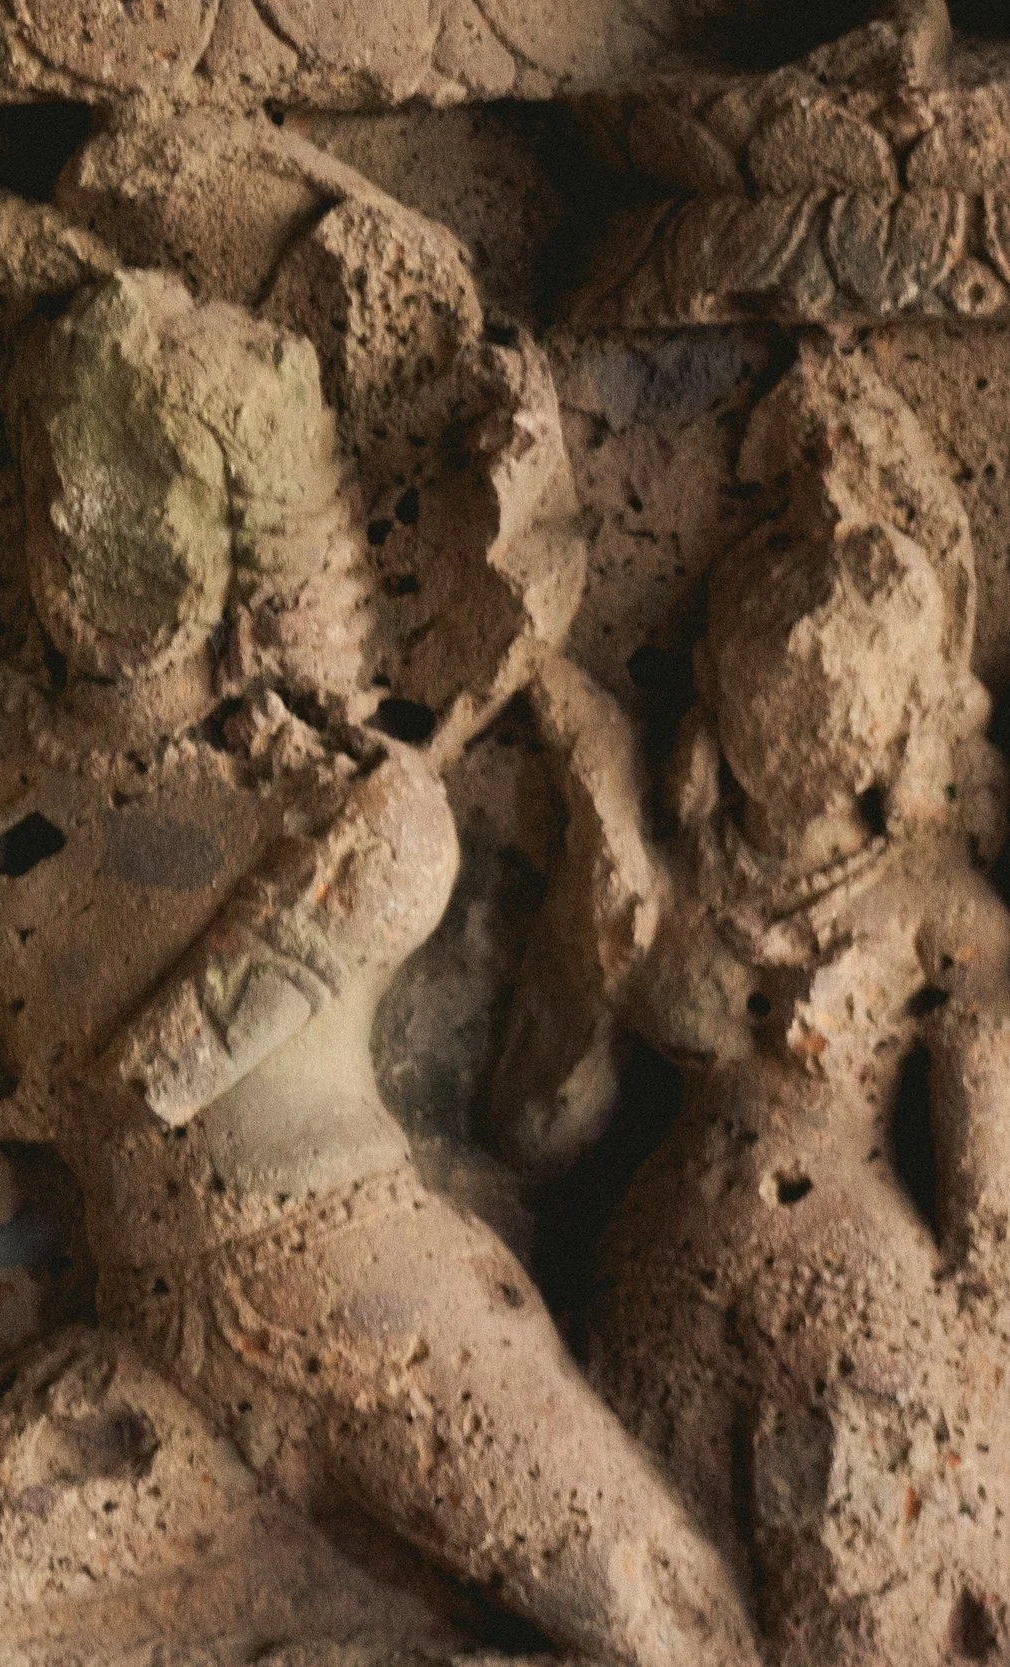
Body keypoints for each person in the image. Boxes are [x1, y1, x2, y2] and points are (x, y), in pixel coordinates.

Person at [0, 268, 760, 1667]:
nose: (92, 531)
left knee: (657, 1615)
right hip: (157, 1344)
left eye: (146, 493)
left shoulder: (352, 807)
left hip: (373, 1300)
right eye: (62, 483)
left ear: (237, 535)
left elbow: (165, 1070)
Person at [500, 344, 1010, 1666]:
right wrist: (583, 952)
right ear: (715, 697)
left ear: (902, 730)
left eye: (837, 709)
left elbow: (985, 1146)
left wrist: (980, 1283)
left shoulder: (930, 911)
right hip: (659, 1297)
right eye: (773, 693)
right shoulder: (669, 887)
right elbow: (544, 1124)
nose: (800, 735)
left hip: (855, 1321)